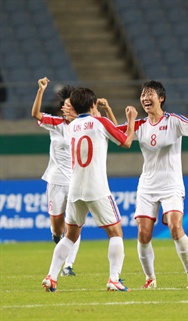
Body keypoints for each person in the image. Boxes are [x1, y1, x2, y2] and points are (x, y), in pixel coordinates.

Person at [117, 80, 188, 290]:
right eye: (143, 94)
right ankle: (150, 279)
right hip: (147, 187)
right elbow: (116, 133)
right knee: (143, 234)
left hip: (171, 185)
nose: (145, 98)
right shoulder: (140, 125)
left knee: (175, 226)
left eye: (149, 94)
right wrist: (102, 116)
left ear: (161, 98)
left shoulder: (174, 121)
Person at [41, 87, 137, 292]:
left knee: (70, 236)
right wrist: (131, 120)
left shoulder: (72, 126)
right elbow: (127, 142)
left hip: (75, 188)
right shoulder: (100, 122)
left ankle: (51, 276)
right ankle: (113, 279)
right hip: (97, 188)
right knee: (116, 233)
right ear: (93, 105)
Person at [32, 78, 119, 277]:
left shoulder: (88, 123)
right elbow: (36, 114)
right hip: (55, 180)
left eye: (69, 105)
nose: (65, 108)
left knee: (74, 225)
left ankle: (68, 265)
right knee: (57, 229)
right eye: (64, 105)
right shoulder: (57, 124)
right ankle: (58, 243)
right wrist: (41, 90)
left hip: (76, 180)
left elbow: (114, 131)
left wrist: (106, 110)